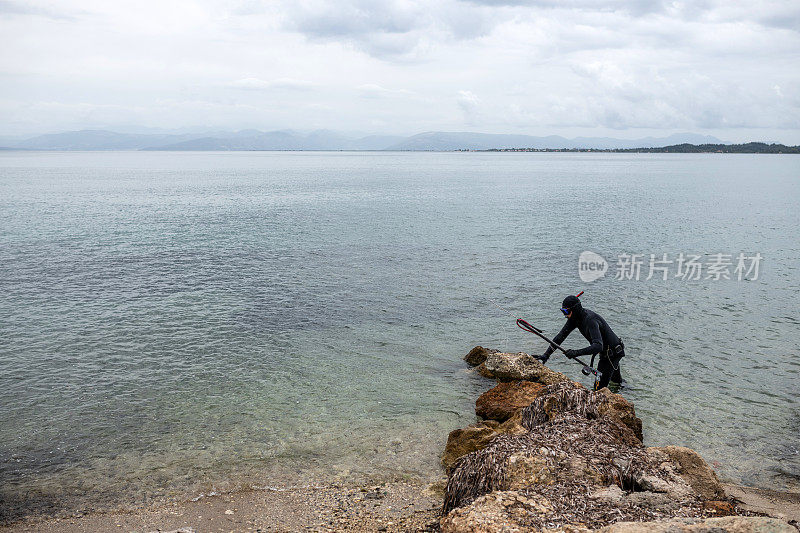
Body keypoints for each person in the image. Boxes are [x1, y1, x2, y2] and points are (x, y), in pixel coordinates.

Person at [535, 295, 625, 392]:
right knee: (616, 382)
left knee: (598, 391)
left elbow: (598, 346)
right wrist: (546, 355)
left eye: (566, 311)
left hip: (612, 354)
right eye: (563, 311)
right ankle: (626, 392)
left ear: (575, 309)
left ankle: (624, 395)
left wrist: (575, 353)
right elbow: (560, 337)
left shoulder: (590, 320)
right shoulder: (574, 319)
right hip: (610, 351)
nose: (565, 315)